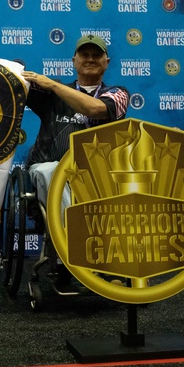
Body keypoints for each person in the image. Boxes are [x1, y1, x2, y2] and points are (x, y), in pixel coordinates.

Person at [21, 35, 130, 285]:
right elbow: (11, 82)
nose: (90, 59)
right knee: (53, 171)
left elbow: (96, 110)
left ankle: (99, 258)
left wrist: (55, 86)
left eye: (96, 55)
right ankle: (70, 253)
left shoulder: (119, 94)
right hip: (49, 169)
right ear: (74, 60)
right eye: (84, 54)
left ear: (107, 62)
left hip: (99, 180)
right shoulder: (48, 93)